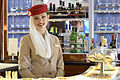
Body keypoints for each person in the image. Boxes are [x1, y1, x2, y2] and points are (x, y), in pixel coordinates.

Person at [18, 4, 64, 78]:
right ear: (32, 21)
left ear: (48, 18)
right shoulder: (26, 40)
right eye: (36, 18)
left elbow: (60, 64)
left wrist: (58, 78)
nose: (40, 21)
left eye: (43, 17)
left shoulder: (55, 39)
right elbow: (23, 68)